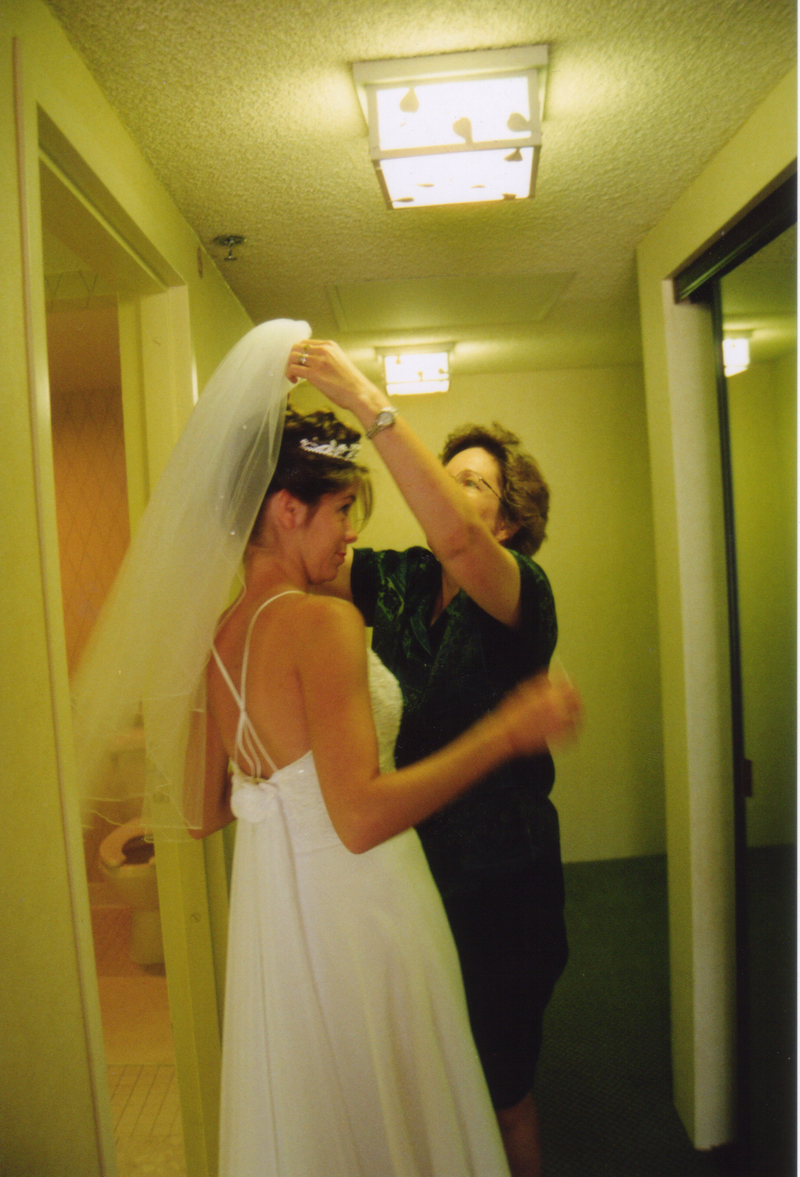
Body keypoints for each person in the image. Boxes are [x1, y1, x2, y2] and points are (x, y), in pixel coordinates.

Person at [72, 321, 580, 1177]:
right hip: (367, 899)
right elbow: (356, 816)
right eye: (344, 509)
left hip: (282, 915)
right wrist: (504, 732)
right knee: (402, 1100)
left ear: (509, 513)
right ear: (287, 507)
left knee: (330, 1109)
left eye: (474, 486)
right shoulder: (335, 614)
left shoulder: (217, 634)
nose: (354, 531)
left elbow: (197, 815)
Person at [290, 338, 569, 1177]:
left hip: (505, 886)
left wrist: (368, 402)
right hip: (416, 878)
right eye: (444, 471)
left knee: (501, 1088)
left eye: (471, 480)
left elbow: (461, 546)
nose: (448, 485)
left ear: (510, 516)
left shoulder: (521, 590)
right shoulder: (403, 578)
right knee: (433, 1082)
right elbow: (299, 562)